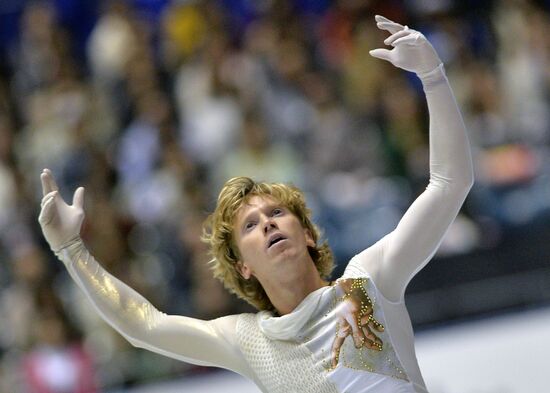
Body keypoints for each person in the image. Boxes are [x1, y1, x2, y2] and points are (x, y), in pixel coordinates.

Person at [38, 15, 474, 393]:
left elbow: (449, 183)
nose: (266, 224)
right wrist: (72, 250)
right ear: (242, 265)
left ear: (306, 233)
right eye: (250, 226)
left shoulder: (365, 282)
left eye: (277, 214)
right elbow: (144, 325)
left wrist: (432, 75)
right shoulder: (248, 341)